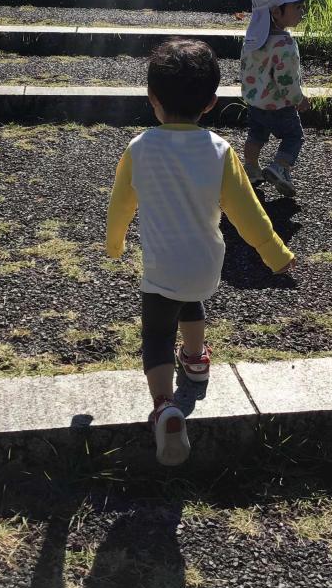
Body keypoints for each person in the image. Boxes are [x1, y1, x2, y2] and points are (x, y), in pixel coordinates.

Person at [106, 38, 296, 467]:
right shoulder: (220, 152)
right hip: (207, 264)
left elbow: (121, 204)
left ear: (152, 98)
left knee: (156, 335)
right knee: (190, 299)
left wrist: (114, 243)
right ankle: (195, 361)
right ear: (210, 103)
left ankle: (164, 406)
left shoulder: (139, 148)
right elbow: (248, 212)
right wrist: (275, 253)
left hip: (161, 266)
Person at [240, 0, 317, 198]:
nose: (302, 11)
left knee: (256, 136)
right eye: (297, 7)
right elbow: (287, 80)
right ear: (276, 11)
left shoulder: (253, 39)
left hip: (255, 103)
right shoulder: (285, 44)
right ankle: (279, 167)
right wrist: (298, 99)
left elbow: (246, 69)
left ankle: (252, 169)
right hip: (279, 106)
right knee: (294, 137)